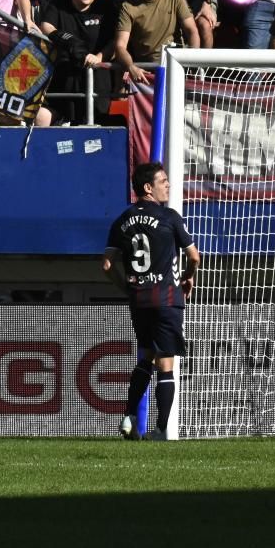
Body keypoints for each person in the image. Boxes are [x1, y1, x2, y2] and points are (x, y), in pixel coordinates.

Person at [104, 162, 198, 441]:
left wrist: (127, 288)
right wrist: (188, 279)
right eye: (163, 181)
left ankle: (130, 416)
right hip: (166, 298)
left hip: (139, 299)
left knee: (145, 356)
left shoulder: (122, 220)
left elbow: (107, 265)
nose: (168, 185)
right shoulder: (169, 217)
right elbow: (194, 256)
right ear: (148, 187)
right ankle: (159, 430)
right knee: (166, 363)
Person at [38, 0, 113, 125]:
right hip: (63, 75)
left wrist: (98, 57)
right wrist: (69, 40)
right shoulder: (58, 2)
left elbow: (114, 42)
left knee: (92, 125)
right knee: (40, 118)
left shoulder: (105, 7)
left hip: (96, 76)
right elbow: (46, 26)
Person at [114, 0, 200, 84]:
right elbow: (120, 46)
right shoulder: (128, 7)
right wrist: (131, 66)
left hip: (175, 66)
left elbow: (192, 30)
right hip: (146, 73)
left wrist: (192, 63)